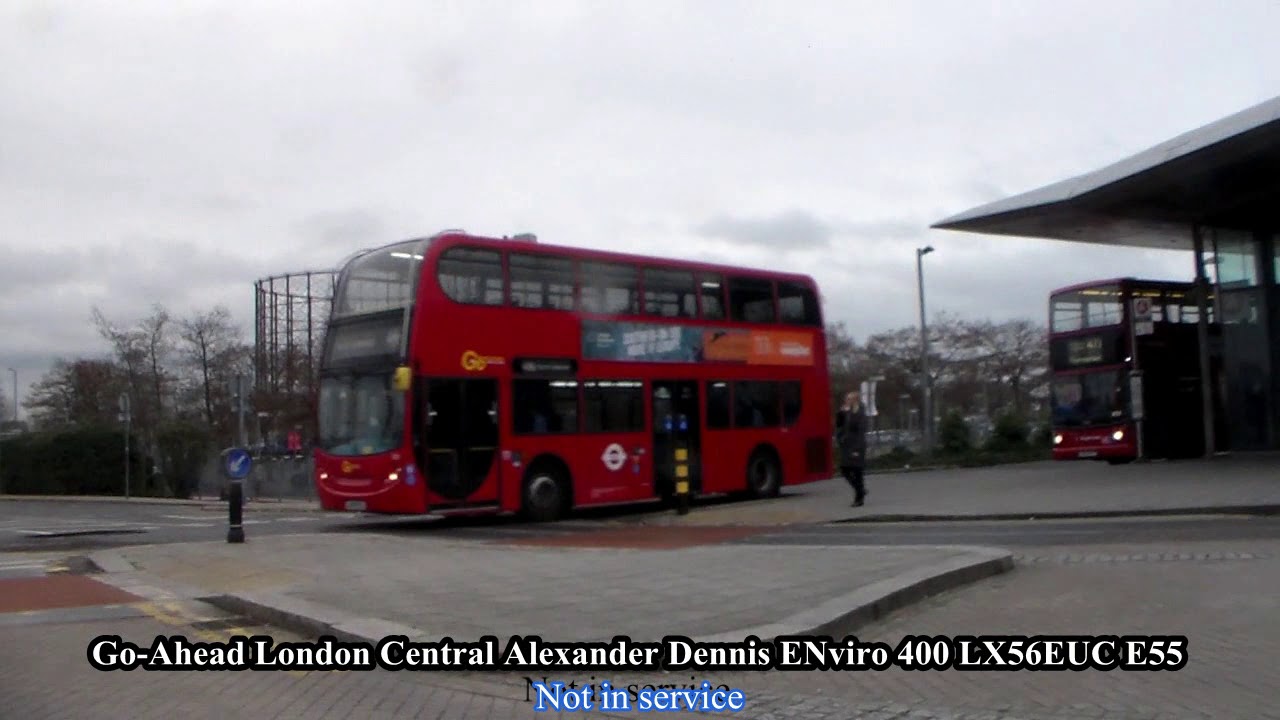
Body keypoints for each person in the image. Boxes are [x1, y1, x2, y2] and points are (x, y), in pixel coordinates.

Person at [835, 389, 868, 506]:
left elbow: (861, 432)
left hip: (856, 446)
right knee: (845, 470)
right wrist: (841, 412)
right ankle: (861, 490)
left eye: (849, 399)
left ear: (855, 400)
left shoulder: (860, 413)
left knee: (857, 472)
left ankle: (859, 498)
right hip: (847, 446)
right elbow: (839, 425)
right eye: (846, 398)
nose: (846, 400)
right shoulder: (846, 412)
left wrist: (856, 449)